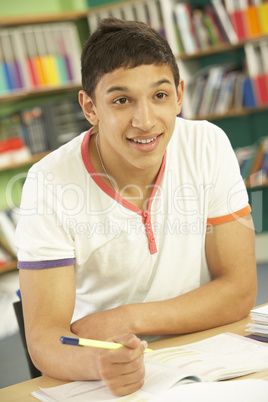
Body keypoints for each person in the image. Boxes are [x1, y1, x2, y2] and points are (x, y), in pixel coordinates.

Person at [15, 18, 257, 396]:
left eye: (159, 96)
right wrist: (99, 362)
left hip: (204, 354)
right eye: (121, 100)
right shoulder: (48, 182)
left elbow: (239, 290)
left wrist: (127, 318)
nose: (145, 121)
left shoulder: (208, 144)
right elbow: (45, 338)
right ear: (90, 107)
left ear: (179, 94)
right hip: (105, 371)